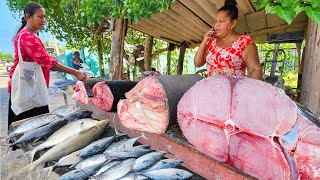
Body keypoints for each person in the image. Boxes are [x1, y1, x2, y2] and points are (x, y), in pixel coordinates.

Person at [8, 2, 87, 127]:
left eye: (44, 17)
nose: (44, 20)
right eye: (40, 17)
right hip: (28, 89)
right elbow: (47, 62)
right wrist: (75, 72)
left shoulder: (32, 34)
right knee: (32, 128)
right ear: (28, 17)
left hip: (31, 86)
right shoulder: (27, 37)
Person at [194, 0, 262, 80]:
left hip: (234, 89)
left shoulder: (244, 42)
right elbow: (197, 63)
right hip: (211, 90)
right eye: (216, 21)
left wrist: (248, 91)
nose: (217, 25)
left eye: (221, 21)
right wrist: (203, 42)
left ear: (233, 23)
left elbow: (255, 70)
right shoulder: (211, 41)